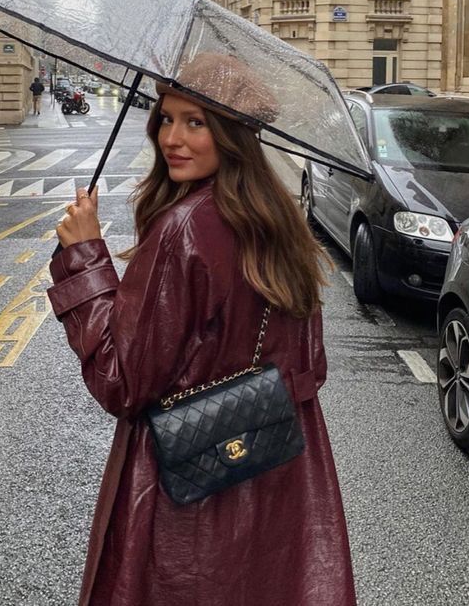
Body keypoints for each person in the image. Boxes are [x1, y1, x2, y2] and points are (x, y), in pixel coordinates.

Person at [47, 53, 357, 606]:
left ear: (233, 134)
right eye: (166, 118)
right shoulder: (275, 220)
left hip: (183, 494)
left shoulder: (182, 230)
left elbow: (123, 381)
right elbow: (309, 367)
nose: (173, 138)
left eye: (196, 122)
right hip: (271, 473)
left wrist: (85, 258)